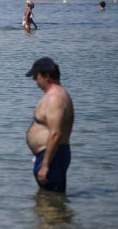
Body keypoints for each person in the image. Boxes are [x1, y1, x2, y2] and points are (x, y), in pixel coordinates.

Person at [25, 57, 74, 193]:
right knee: (47, 202)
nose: (34, 80)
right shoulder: (54, 95)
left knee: (52, 204)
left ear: (46, 76)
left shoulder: (55, 98)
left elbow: (56, 133)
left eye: (35, 76)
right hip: (51, 156)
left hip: (53, 157)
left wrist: (45, 165)